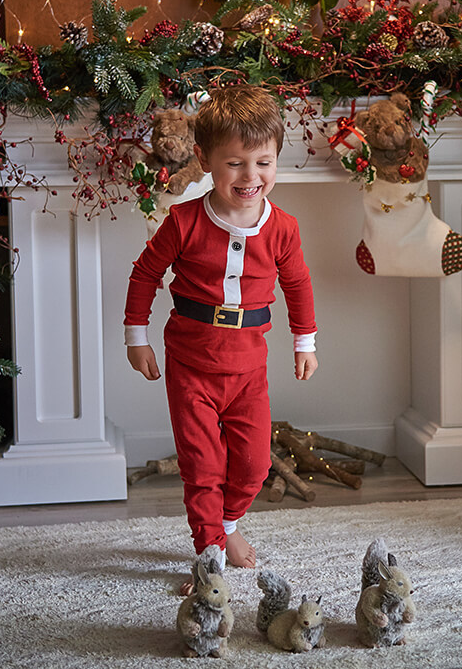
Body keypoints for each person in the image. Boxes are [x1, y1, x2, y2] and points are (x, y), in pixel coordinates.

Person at [124, 84, 318, 592]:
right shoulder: (183, 221)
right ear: (205, 160)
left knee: (253, 464)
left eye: (263, 162)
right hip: (190, 362)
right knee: (202, 463)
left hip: (249, 366)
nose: (251, 177)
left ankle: (228, 525)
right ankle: (209, 551)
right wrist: (136, 337)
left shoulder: (284, 228)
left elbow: (297, 284)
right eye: (235, 163)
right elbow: (145, 274)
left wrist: (305, 342)